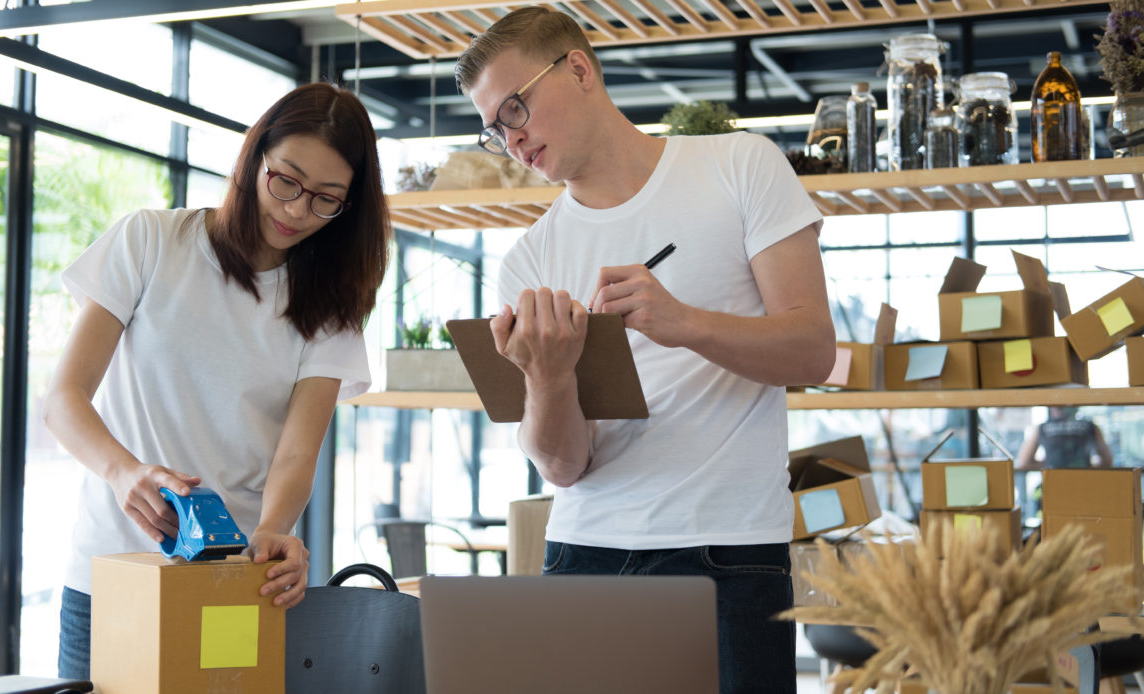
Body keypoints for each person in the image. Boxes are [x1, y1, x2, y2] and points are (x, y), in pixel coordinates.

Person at [454, 8, 835, 692]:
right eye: (494, 128)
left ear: (578, 68)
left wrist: (683, 321)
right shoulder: (530, 259)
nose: (511, 138)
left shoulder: (740, 164)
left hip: (733, 551)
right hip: (584, 551)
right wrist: (547, 378)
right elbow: (565, 465)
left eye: (516, 108)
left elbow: (812, 349)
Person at [42, 82, 390, 679]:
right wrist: (126, 472)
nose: (296, 211)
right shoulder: (151, 241)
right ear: (254, 157)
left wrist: (275, 530)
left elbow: (297, 452)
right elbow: (63, 399)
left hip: (232, 585)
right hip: (110, 579)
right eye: (286, 181)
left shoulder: (329, 308)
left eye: (327, 199)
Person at [1015, 406, 1113, 469]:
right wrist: (1086, 464)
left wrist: (1051, 464)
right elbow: (1107, 461)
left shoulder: (1043, 428)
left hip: (1054, 481)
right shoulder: (1089, 426)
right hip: (1083, 480)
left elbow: (1023, 462)